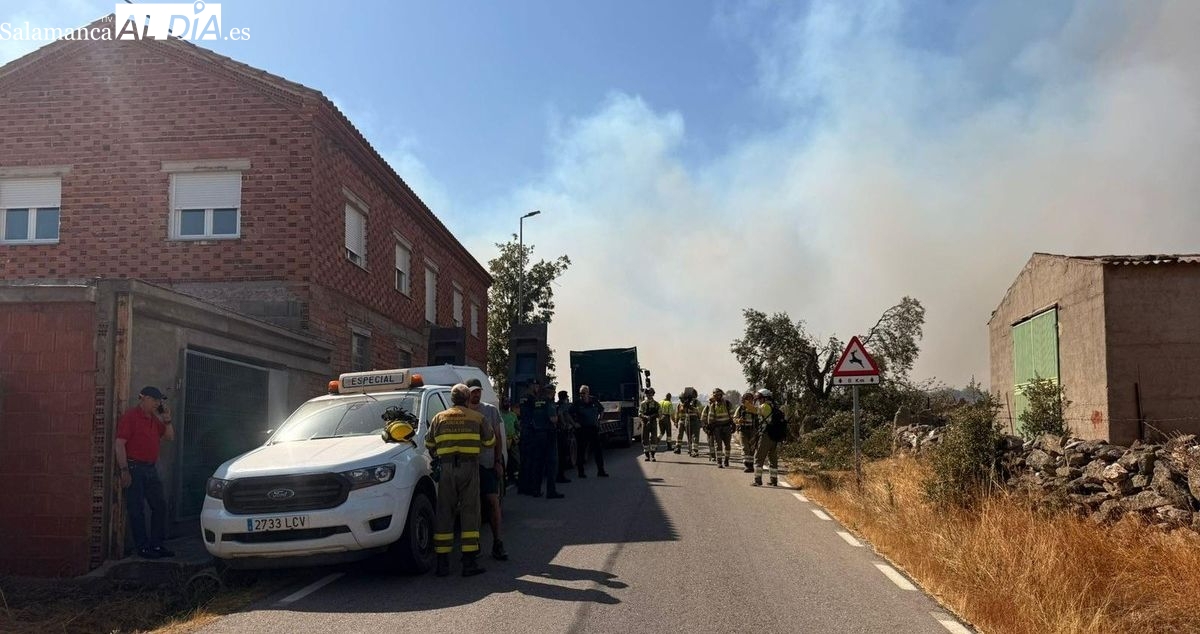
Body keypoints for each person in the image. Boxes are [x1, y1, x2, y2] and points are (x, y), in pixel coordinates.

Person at [426, 383, 496, 576]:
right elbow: (490, 442)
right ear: (466, 399)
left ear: (452, 399)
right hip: (469, 467)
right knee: (470, 511)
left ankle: (442, 564)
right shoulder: (478, 417)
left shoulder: (438, 418)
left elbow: (429, 443)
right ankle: (469, 562)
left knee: (444, 512)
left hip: (447, 468)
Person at [115, 386, 176, 559]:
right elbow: (119, 443)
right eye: (155, 400)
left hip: (150, 468)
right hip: (135, 468)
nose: (158, 403)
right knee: (136, 509)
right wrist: (124, 469)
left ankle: (156, 544)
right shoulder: (131, 417)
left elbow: (170, 437)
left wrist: (167, 420)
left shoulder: (154, 419)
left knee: (160, 506)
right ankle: (142, 547)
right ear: (144, 398)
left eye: (160, 401)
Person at [466, 378, 508, 562]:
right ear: (466, 392)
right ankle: (472, 548)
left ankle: (498, 543)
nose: (476, 394)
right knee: (471, 507)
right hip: (468, 467)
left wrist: (498, 461)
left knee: (493, 502)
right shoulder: (461, 412)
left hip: (488, 464)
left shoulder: (490, 411)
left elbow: (498, 438)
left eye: (478, 391)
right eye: (473, 391)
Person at [526, 384, 565, 499]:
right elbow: (553, 418)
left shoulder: (537, 402)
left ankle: (536, 490)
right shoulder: (549, 403)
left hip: (537, 434)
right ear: (552, 392)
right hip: (548, 435)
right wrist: (557, 419)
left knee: (538, 463)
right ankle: (551, 491)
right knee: (551, 463)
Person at [570, 385, 608, 478]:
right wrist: (574, 423)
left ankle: (601, 470)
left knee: (597, 450)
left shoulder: (594, 400)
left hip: (593, 428)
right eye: (581, 393)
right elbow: (568, 413)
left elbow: (601, 410)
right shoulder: (577, 403)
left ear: (588, 392)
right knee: (581, 451)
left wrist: (599, 420)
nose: (582, 395)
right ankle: (581, 472)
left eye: (584, 393)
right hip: (582, 429)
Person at [752, 389, 785, 487]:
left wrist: (747, 405)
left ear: (765, 398)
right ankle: (773, 480)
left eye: (760, 398)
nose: (759, 401)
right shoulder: (775, 407)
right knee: (773, 459)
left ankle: (757, 480)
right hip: (775, 437)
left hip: (766, 436)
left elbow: (756, 411)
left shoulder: (765, 406)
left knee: (759, 458)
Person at [517, 382, 540, 496]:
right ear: (531, 386)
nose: (537, 388)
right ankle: (531, 488)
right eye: (536, 386)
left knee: (524, 460)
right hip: (531, 431)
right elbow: (535, 414)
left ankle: (521, 487)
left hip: (524, 430)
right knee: (532, 461)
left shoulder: (522, 397)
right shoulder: (532, 398)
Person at [704, 388, 735, 468]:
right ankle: (719, 462)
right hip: (717, 428)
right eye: (715, 395)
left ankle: (726, 460)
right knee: (718, 446)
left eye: (719, 395)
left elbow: (732, 415)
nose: (717, 397)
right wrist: (709, 428)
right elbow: (710, 418)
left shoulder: (728, 404)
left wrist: (734, 424)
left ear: (721, 395)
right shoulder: (713, 405)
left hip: (727, 427)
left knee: (727, 445)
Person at [734, 392, 760, 473]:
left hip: (753, 431)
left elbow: (759, 419)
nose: (749, 400)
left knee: (752, 449)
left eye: (751, 399)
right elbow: (734, 418)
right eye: (747, 399)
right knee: (745, 448)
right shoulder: (740, 408)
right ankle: (747, 465)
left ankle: (751, 465)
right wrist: (739, 420)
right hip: (743, 431)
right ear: (744, 400)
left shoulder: (755, 409)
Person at [675, 387, 703, 457]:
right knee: (688, 436)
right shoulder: (681, 404)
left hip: (695, 420)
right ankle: (683, 448)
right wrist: (676, 421)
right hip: (685, 420)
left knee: (695, 436)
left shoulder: (697, 402)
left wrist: (691, 407)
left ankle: (695, 450)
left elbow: (699, 411)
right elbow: (678, 412)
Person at [554, 390, 575, 484]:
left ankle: (558, 474)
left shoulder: (555, 404)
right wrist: (566, 424)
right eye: (566, 397)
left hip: (555, 432)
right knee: (563, 454)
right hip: (561, 432)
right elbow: (563, 414)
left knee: (559, 454)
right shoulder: (563, 405)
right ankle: (560, 476)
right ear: (564, 397)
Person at [500, 397, 520, 487]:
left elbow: (517, 427)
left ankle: (517, 478)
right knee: (504, 460)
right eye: (505, 402)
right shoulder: (499, 414)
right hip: (503, 441)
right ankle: (506, 479)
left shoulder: (513, 415)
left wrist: (518, 436)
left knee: (516, 460)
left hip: (513, 440)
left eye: (508, 402)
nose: (507, 404)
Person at [639, 387, 661, 462]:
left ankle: (653, 455)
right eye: (647, 394)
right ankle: (647, 455)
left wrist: (653, 416)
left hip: (653, 422)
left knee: (654, 438)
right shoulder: (643, 404)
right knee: (645, 439)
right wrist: (645, 417)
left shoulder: (656, 404)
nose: (649, 395)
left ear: (653, 394)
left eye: (650, 393)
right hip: (645, 422)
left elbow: (660, 413)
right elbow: (640, 413)